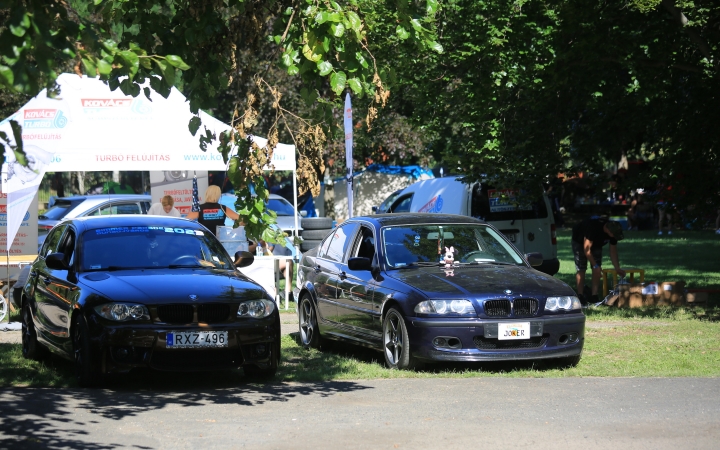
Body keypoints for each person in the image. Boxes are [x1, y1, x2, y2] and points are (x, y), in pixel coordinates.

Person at [571, 218, 626, 304]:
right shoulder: (593, 228)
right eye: (614, 235)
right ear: (607, 230)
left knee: (597, 268)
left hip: (597, 244)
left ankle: (594, 296)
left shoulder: (613, 232)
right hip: (579, 241)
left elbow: (613, 251)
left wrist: (617, 268)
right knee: (581, 268)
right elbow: (586, 250)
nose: (615, 236)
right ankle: (580, 295)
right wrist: (595, 266)